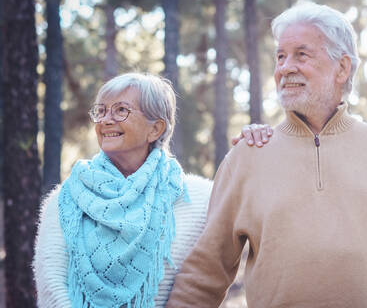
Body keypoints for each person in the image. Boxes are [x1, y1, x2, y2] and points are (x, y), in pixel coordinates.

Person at [167, 2, 367, 307]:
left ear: (342, 68)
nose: (285, 67)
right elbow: (205, 270)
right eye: (280, 57)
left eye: (301, 55)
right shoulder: (247, 155)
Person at [33, 72, 272, 308]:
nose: (106, 120)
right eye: (101, 111)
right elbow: (51, 286)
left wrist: (259, 148)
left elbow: (267, 220)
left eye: (120, 110)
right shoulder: (64, 200)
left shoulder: (202, 199)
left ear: (155, 129)